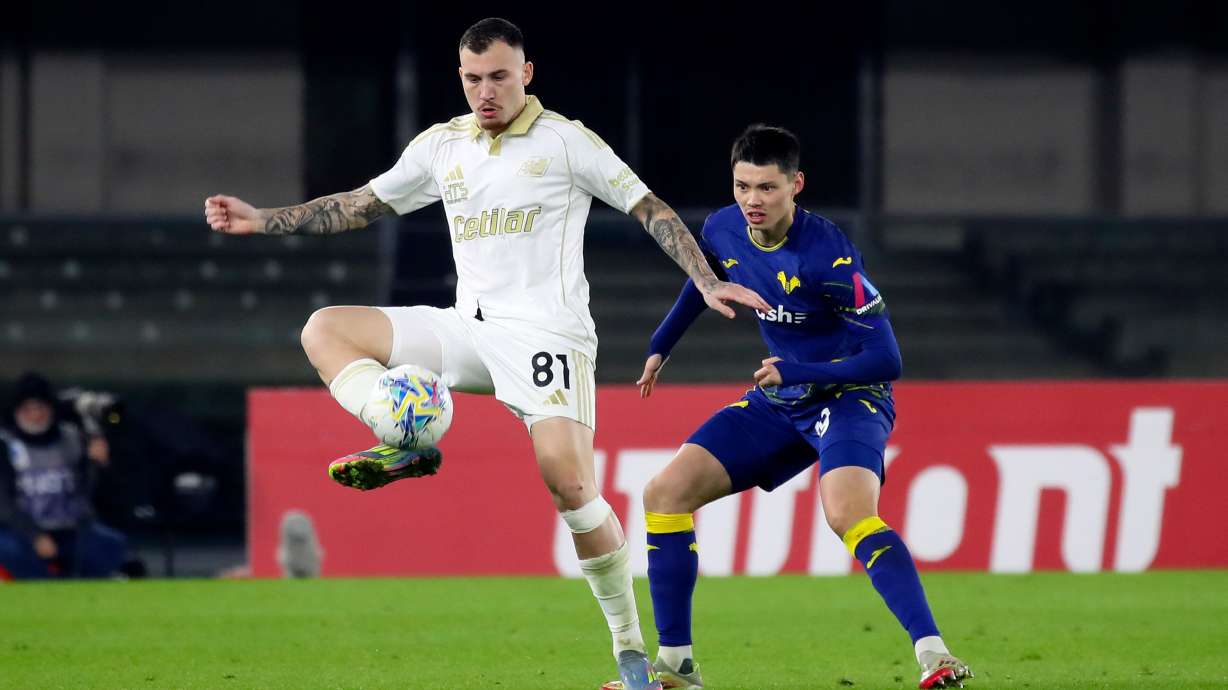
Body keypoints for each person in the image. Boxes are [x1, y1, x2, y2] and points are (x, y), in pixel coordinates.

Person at [203, 17, 769, 689]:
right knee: (325, 329)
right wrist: (264, 219)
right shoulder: (443, 145)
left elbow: (647, 207)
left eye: (499, 76)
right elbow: (360, 205)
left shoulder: (566, 142)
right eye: (473, 79)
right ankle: (407, 436)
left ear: (525, 73)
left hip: (547, 336)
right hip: (468, 329)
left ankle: (629, 651)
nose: (486, 92)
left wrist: (704, 279)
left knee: (569, 484)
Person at [630, 125, 973, 689]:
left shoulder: (828, 255)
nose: (753, 200)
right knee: (664, 493)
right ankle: (676, 667)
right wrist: (661, 344)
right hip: (781, 398)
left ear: (796, 185)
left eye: (767, 187)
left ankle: (935, 655)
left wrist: (799, 371)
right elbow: (706, 280)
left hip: (850, 396)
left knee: (848, 513)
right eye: (743, 186)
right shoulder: (722, 227)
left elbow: (886, 359)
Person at [0, 372, 130, 580]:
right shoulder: (6, 443)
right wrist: (34, 536)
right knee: (8, 549)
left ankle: (82, 585)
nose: (35, 415)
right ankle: (42, 586)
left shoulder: (71, 437)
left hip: (70, 528)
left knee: (111, 544)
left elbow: (92, 491)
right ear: (16, 412)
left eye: (40, 408)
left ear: (50, 409)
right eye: (28, 409)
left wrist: (98, 464)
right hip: (22, 530)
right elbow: (4, 503)